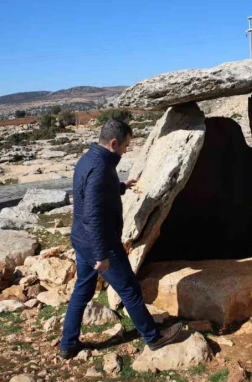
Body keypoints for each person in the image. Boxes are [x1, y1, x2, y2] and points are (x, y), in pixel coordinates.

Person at [60, 117, 182, 359]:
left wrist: (122, 186)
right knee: (129, 290)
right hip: (100, 242)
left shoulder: (88, 159)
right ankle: (153, 337)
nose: (125, 152)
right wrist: (101, 255)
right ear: (113, 143)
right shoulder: (101, 169)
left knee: (82, 291)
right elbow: (93, 214)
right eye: (125, 147)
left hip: (81, 240)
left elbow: (91, 194)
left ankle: (67, 344)